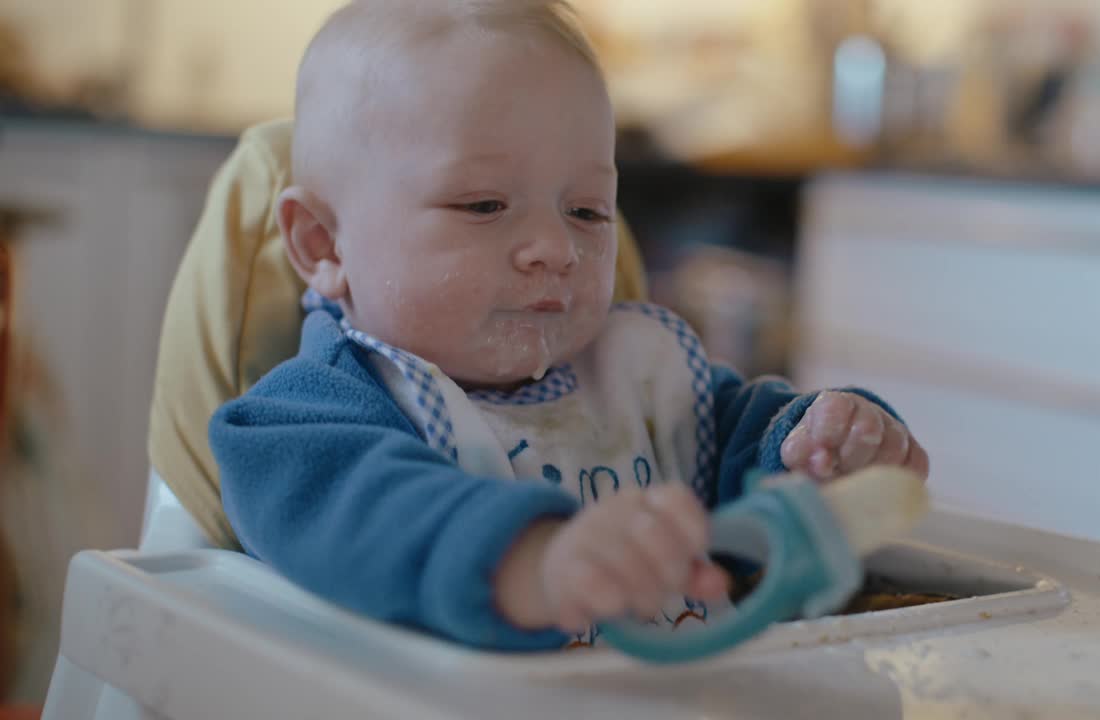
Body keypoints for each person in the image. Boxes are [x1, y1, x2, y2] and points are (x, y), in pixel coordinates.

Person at [210, 0, 928, 652]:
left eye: (586, 210)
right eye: (484, 204)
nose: (557, 248)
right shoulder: (302, 429)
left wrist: (822, 444)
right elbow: (367, 519)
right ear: (323, 246)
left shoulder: (637, 378)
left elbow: (751, 471)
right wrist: (536, 562)